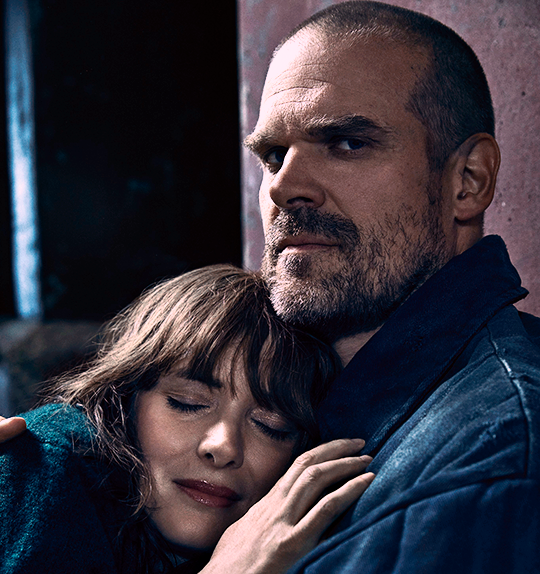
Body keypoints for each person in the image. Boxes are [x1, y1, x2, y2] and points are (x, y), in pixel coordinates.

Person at [242, 1, 540, 572]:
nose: (284, 187)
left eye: (347, 143)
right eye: (274, 155)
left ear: (468, 180)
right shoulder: (280, 399)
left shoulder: (494, 466)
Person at [0, 264, 374, 574]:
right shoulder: (53, 464)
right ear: (125, 400)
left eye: (270, 426)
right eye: (187, 404)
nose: (223, 447)